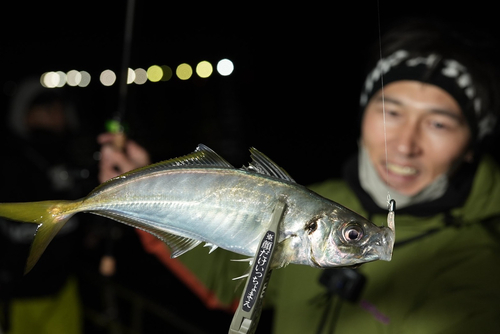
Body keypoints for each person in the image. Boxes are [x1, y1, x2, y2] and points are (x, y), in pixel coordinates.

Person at [97, 19, 500, 333]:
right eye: (391, 112)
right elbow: (228, 281)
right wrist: (144, 188)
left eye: (439, 124)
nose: (405, 144)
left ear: (471, 145)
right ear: (364, 113)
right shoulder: (321, 196)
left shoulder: (480, 264)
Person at [0, 79, 93, 334]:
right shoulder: (10, 163)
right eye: (43, 107)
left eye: (59, 106)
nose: (55, 113)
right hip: (17, 293)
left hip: (65, 284)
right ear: (23, 114)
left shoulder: (72, 155)